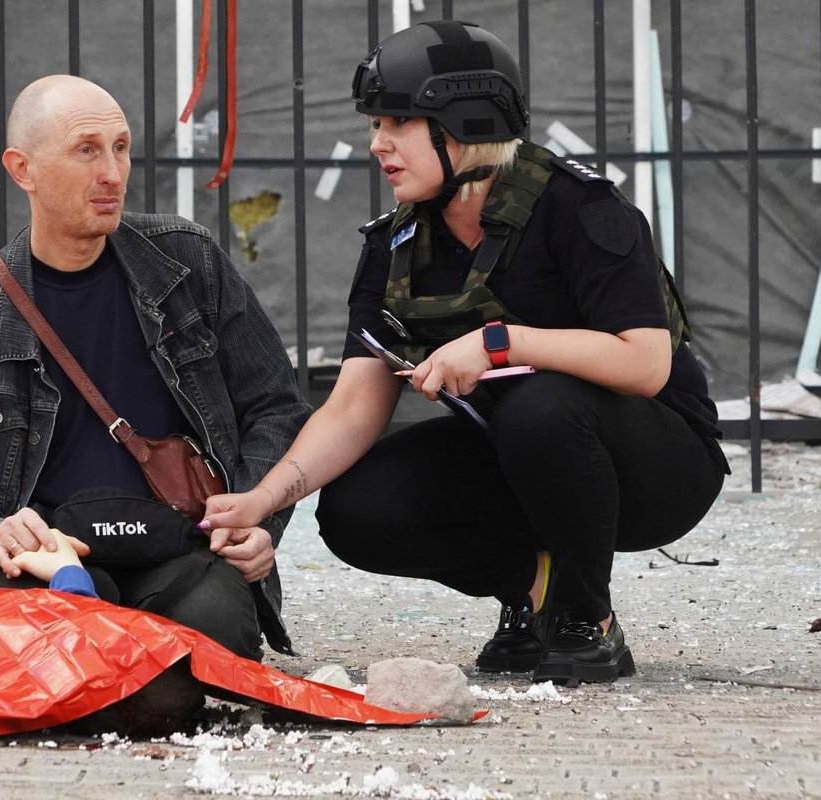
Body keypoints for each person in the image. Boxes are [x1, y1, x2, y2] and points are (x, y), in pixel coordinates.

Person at [200, 20, 730, 686]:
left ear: (464, 125)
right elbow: (353, 407)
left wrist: (499, 343)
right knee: (359, 505)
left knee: (542, 405)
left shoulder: (579, 209)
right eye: (375, 124)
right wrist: (265, 498)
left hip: (658, 466)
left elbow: (646, 363)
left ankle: (583, 616)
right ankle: (535, 590)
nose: (377, 144)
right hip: (522, 458)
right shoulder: (395, 246)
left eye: (397, 122)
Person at [0, 75, 310, 668]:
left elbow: (276, 406)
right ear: (22, 169)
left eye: (120, 147)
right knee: (61, 658)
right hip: (50, 562)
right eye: (86, 150)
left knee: (214, 650)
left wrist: (255, 510)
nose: (112, 173)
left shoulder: (187, 264)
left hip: (183, 548)